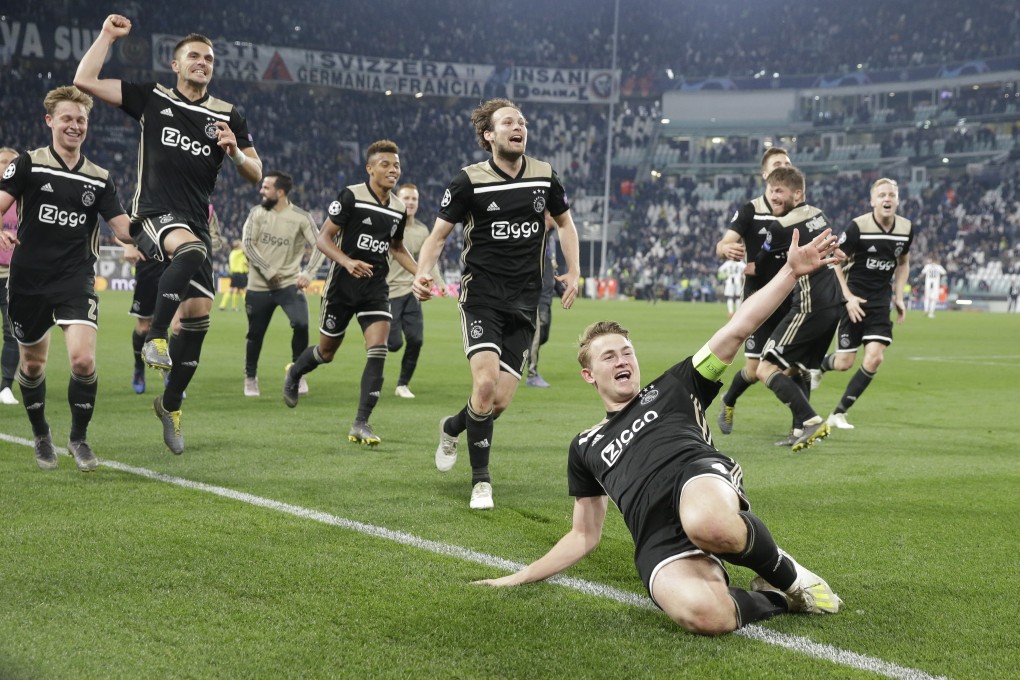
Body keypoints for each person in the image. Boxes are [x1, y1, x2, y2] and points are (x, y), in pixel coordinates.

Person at [474, 228, 843, 635]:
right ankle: (776, 595)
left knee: (708, 523)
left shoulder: (676, 383)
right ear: (588, 375)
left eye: (626, 351)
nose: (622, 359)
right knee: (706, 616)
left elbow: (738, 329)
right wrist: (520, 576)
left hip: (695, 480)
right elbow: (583, 535)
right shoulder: (584, 445)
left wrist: (791, 272)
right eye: (608, 355)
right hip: (655, 535)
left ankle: (787, 574)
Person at [75, 14, 262, 454]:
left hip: (196, 222)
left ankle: (171, 404)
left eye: (209, 58)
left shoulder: (228, 115)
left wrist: (234, 151)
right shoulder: (151, 97)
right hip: (154, 214)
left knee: (197, 318)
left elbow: (256, 174)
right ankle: (156, 337)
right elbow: (84, 79)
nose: (202, 62)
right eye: (194, 56)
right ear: (175, 65)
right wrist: (106, 36)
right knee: (192, 251)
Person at [412, 97, 581, 510]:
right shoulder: (468, 181)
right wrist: (423, 272)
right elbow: (437, 236)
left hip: (524, 303)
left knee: (497, 402)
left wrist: (574, 272)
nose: (518, 127)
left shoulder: (544, 175)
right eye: (508, 122)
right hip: (482, 297)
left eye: (522, 122)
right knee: (484, 384)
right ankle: (481, 482)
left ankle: (453, 426)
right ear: (489, 135)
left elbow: (565, 224)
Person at [0, 85, 133, 471]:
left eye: (81, 120)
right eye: (67, 119)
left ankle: (78, 438)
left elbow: (122, 227)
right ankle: (41, 433)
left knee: (82, 360)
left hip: (75, 277)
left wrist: (155, 232)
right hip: (27, 280)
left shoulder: (98, 177)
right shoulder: (28, 164)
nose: (75, 126)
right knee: (33, 365)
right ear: (50, 122)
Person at [282, 140, 417, 446]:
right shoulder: (351, 196)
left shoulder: (398, 208)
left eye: (396, 165)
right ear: (370, 168)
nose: (393, 169)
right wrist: (347, 261)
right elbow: (323, 239)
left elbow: (396, 248)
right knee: (326, 352)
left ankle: (361, 422)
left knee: (378, 348)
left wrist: (421, 273)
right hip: (341, 286)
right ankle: (295, 373)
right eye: (385, 164)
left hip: (374, 287)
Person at [812, 178, 913, 430]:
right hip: (854, 299)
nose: (887, 199)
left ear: (897, 200)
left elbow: (903, 263)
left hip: (880, 303)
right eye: (882, 195)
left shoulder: (906, 228)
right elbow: (834, 260)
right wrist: (847, 297)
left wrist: (898, 296)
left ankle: (838, 413)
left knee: (875, 358)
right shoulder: (858, 226)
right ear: (873, 201)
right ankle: (821, 365)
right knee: (845, 363)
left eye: (891, 194)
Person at [755, 167, 844, 451]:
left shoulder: (780, 228)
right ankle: (797, 430)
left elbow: (761, 263)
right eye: (770, 191)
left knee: (764, 368)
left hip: (809, 304)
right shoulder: (819, 214)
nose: (773, 197)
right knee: (799, 368)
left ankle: (810, 420)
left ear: (798, 193)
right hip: (832, 303)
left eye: (779, 191)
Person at [713, 148, 794, 436]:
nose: (783, 167)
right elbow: (723, 243)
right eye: (776, 165)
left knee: (793, 366)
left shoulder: (800, 211)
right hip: (758, 299)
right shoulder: (751, 210)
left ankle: (801, 424)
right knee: (754, 369)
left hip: (793, 300)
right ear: (765, 174)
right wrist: (727, 249)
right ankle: (729, 398)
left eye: (787, 163)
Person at [124, 204, 222, 395]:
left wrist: (200, 244)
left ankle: (171, 374)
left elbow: (215, 238)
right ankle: (138, 368)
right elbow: (124, 222)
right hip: (150, 264)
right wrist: (128, 246)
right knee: (144, 327)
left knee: (178, 326)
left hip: (183, 266)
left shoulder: (202, 203)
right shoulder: (152, 194)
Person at [241, 171, 324, 397]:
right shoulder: (256, 214)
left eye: (266, 187)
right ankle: (250, 377)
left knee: (301, 324)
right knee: (255, 334)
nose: (261, 190)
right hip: (259, 286)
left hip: (289, 284)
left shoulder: (301, 217)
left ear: (280, 192)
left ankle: (298, 373)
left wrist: (309, 272)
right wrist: (268, 271)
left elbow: (321, 245)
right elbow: (247, 245)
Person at [386, 183, 448, 399]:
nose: (410, 202)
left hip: (412, 292)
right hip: (389, 292)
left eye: (414, 199)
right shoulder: (388, 225)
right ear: (397, 199)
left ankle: (403, 384)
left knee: (416, 340)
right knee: (394, 344)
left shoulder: (422, 230)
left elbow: (431, 259)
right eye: (406, 198)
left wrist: (439, 282)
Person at [526, 217, 559, 388]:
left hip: (547, 297)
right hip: (536, 297)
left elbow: (550, 267)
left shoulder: (551, 239)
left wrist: (561, 289)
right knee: (535, 336)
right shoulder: (534, 237)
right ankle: (532, 374)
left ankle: (518, 352)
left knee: (542, 336)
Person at [0, 147, 22, 405]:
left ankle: (6, 385)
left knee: (12, 332)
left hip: (13, 276)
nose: (7, 165)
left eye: (12, 162)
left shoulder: (25, 197)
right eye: (3, 161)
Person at [219, 239, 248, 311]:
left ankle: (225, 306)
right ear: (238, 246)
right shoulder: (237, 252)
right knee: (244, 289)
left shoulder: (233, 253)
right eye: (240, 244)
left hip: (235, 273)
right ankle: (247, 305)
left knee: (234, 289)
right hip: (239, 273)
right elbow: (246, 249)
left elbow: (245, 262)